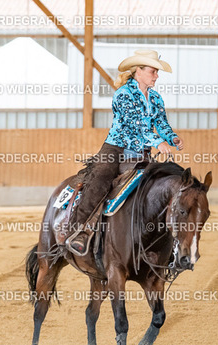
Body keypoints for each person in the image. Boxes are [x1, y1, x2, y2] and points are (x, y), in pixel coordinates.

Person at [66, 49, 184, 256]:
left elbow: (161, 123)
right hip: (116, 148)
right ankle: (80, 230)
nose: (156, 76)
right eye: (153, 71)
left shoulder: (155, 98)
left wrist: (171, 137)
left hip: (141, 152)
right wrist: (158, 142)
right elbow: (135, 126)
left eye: (157, 72)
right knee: (101, 178)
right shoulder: (123, 94)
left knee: (158, 184)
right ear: (138, 71)